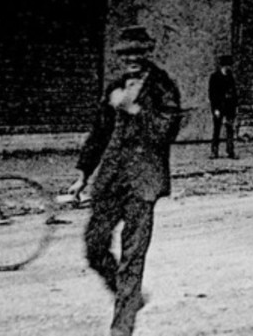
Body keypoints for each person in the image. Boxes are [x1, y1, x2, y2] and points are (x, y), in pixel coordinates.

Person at [69, 26, 184, 336]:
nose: (131, 59)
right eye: (125, 54)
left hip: (143, 181)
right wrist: (82, 174)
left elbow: (167, 131)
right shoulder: (116, 86)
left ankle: (122, 327)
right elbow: (100, 132)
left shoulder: (163, 87)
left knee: (133, 256)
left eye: (137, 53)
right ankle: (130, 298)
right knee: (94, 246)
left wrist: (134, 109)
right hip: (111, 178)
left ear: (148, 54)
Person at [208, 55, 237, 159]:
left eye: (229, 66)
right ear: (222, 66)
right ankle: (214, 151)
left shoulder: (230, 77)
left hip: (229, 107)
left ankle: (230, 150)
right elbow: (212, 95)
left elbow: (234, 93)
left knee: (230, 129)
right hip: (219, 107)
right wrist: (215, 108)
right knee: (217, 129)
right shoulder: (215, 77)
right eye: (226, 66)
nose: (228, 68)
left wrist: (235, 107)